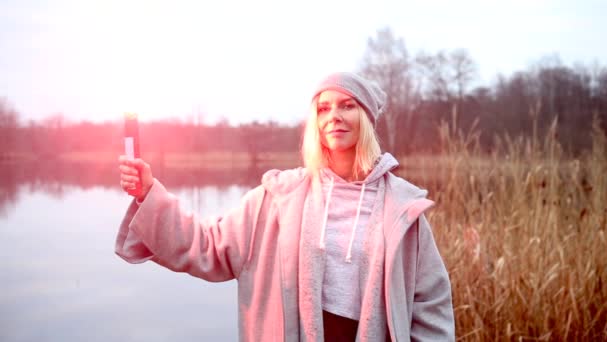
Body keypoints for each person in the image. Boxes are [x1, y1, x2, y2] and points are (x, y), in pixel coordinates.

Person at [116, 72, 455, 341]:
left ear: (366, 117)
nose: (334, 116)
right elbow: (208, 244)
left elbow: (430, 302)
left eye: (347, 105)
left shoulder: (402, 209)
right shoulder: (280, 197)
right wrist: (149, 194)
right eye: (323, 108)